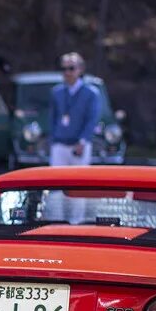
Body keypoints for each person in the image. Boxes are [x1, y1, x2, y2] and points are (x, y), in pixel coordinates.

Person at [47, 51, 101, 224]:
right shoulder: (56, 92)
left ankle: (76, 221)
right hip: (60, 144)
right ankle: (55, 220)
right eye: (64, 69)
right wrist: (53, 138)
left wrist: (83, 140)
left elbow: (92, 119)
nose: (67, 72)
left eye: (71, 68)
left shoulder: (91, 92)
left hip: (79, 144)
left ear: (80, 69)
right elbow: (52, 118)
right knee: (55, 184)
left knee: (78, 185)